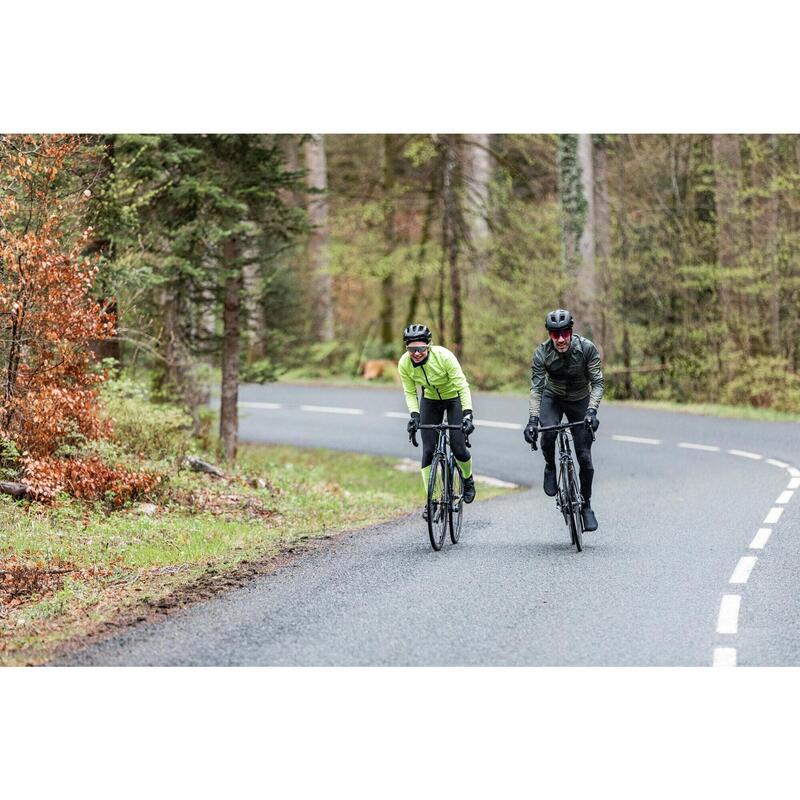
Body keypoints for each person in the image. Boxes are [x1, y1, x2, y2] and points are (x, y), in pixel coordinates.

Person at [523, 309, 604, 531]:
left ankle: (586, 505)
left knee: (585, 458)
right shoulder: (541, 353)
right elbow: (536, 388)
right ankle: (550, 466)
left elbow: (598, 383)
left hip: (580, 399)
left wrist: (592, 411)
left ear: (571, 331)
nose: (560, 339)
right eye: (554, 334)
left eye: (564, 333)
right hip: (553, 397)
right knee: (547, 432)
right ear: (549, 334)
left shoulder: (586, 348)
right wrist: (532, 419)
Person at [398, 323, 476, 517]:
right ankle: (432, 500)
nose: (416, 354)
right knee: (428, 450)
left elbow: (462, 385)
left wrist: (467, 413)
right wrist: (414, 416)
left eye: (420, 349)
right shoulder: (404, 364)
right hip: (430, 400)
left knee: (458, 447)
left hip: (453, 399)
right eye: (411, 349)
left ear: (428, 346)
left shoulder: (444, 357)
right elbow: (410, 392)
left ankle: (468, 479)